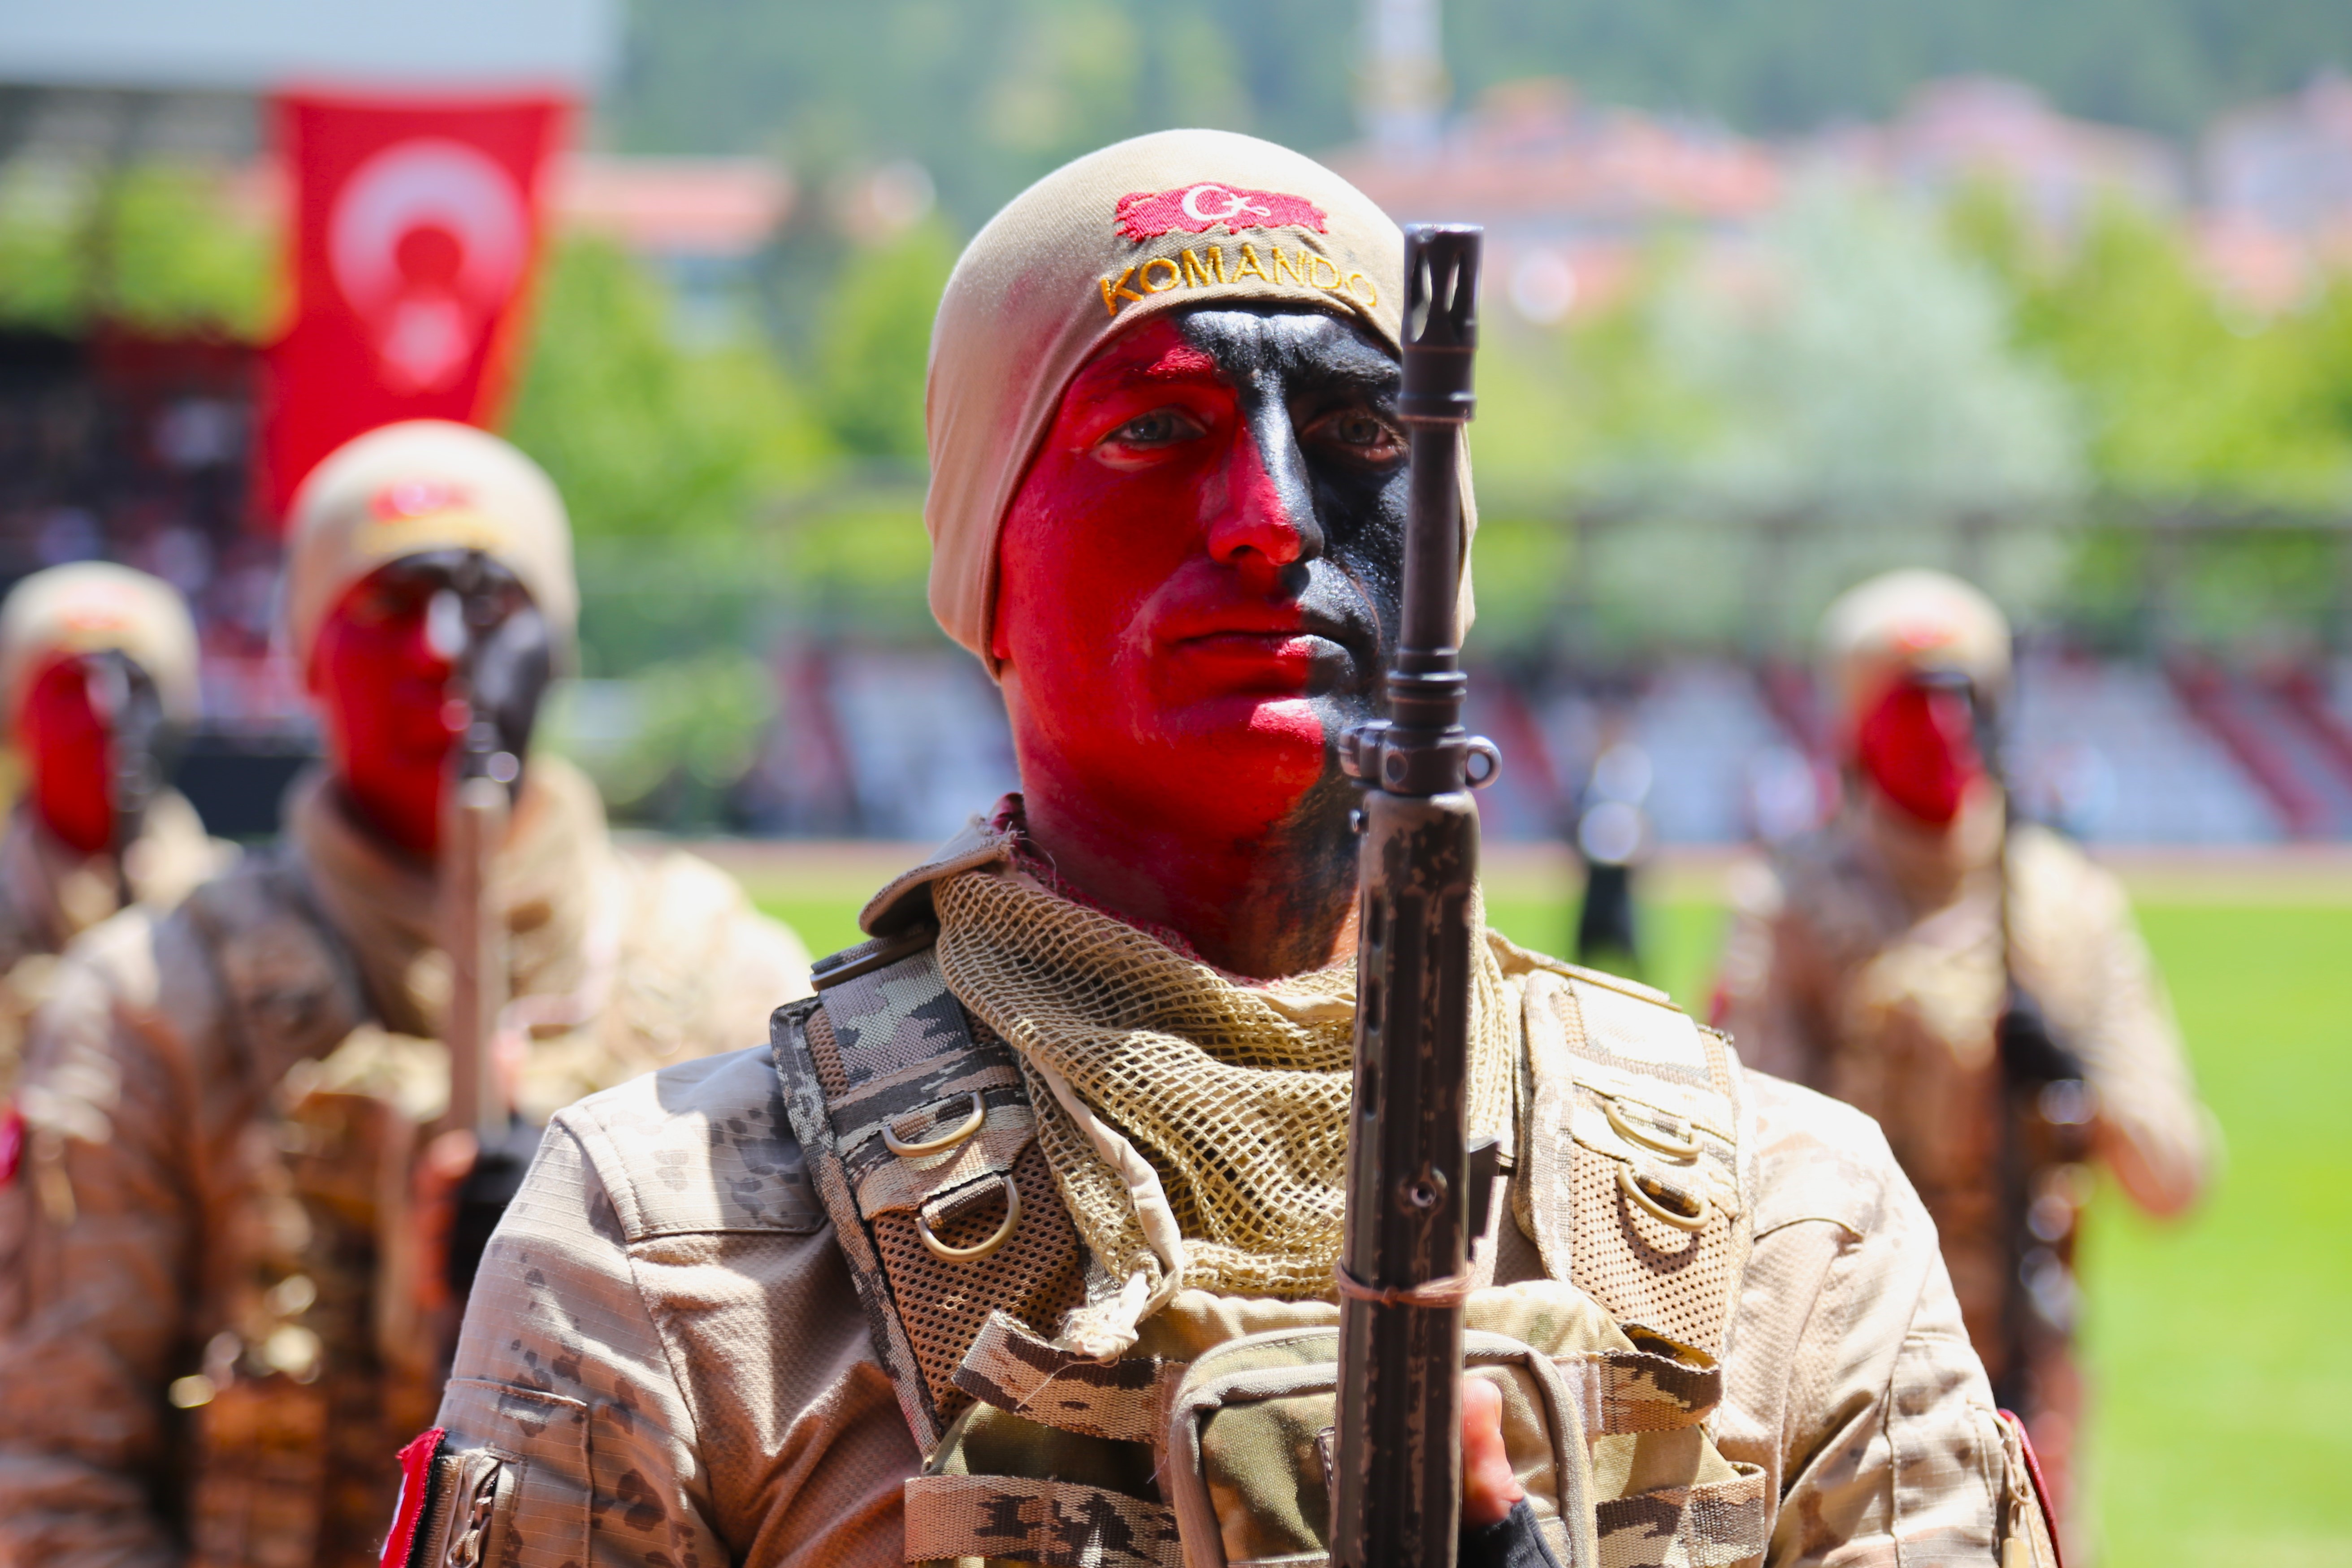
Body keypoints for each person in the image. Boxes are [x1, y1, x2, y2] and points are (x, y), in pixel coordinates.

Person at [404, 135, 2055, 1568]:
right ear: (987, 563)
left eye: (1359, 439)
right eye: (1154, 433)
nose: (1269, 514)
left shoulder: (1792, 1233)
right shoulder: (673, 1250)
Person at [0, 421, 813, 1568]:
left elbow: (816, 1440)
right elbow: (56, 1472)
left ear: (557, 642)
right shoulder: (150, 1004)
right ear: (306, 656)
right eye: (387, 605)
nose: (439, 650)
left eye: (486, 604)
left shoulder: (726, 980)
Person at [1713, 567, 2213, 1526]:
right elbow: (1738, 1174)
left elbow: (2173, 1177)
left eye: (1960, 703)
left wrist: (2079, 1084)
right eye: (1910, 707)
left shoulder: (2066, 906)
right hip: (1847, 1365)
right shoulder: (1789, 907)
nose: (1939, 735)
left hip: (2028, 1360)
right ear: (1854, 726)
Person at [0, 562, 227, 1102]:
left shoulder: (232, 910)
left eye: (136, 686)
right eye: (70, 685)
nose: (107, 713)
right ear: (16, 714)